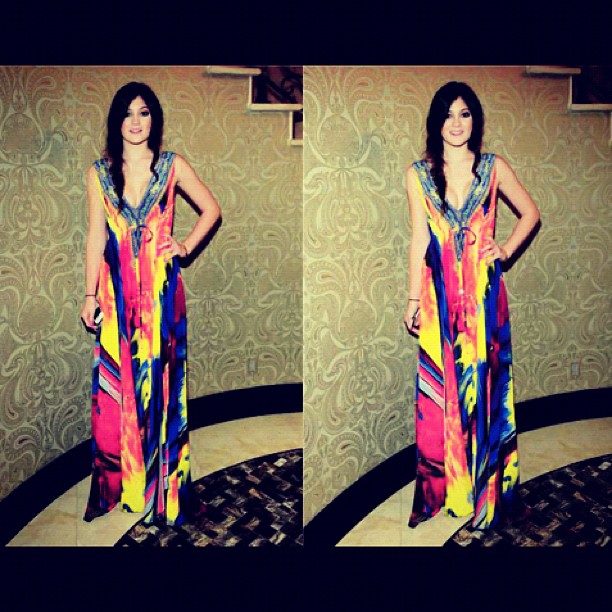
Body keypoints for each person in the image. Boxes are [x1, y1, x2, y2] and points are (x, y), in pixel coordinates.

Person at [80, 81, 221, 526]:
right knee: (117, 392)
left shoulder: (172, 165)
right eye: (128, 113)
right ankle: (123, 484)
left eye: (144, 112)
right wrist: (89, 294)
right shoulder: (99, 174)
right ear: (116, 121)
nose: (136, 121)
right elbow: (96, 235)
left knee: (162, 388)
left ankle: (167, 489)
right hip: (115, 296)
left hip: (162, 296)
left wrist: (185, 246)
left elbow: (212, 209)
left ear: (153, 119)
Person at [403, 81, 540, 530]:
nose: (456, 123)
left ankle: (490, 493)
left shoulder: (493, 167)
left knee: (486, 389)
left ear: (475, 120)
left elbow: (531, 213)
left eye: (464, 113)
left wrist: (506, 250)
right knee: (444, 396)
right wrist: (412, 298)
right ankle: (454, 491)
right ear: (436, 122)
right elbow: (419, 239)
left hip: (484, 297)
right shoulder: (418, 174)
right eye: (448, 114)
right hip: (439, 299)